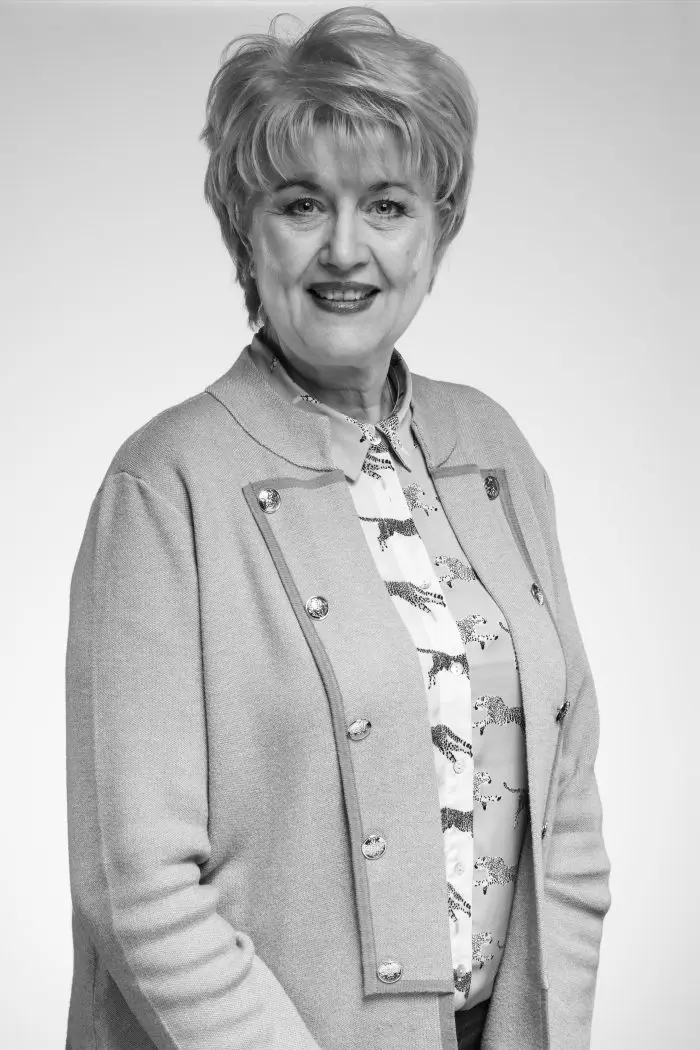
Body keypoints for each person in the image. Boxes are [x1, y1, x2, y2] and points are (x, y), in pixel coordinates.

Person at [64, 7, 612, 1050]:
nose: (346, 249)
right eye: (303, 203)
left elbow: (568, 807)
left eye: (389, 204)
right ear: (246, 228)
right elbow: (138, 888)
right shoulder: (165, 487)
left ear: (438, 229)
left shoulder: (493, 446)